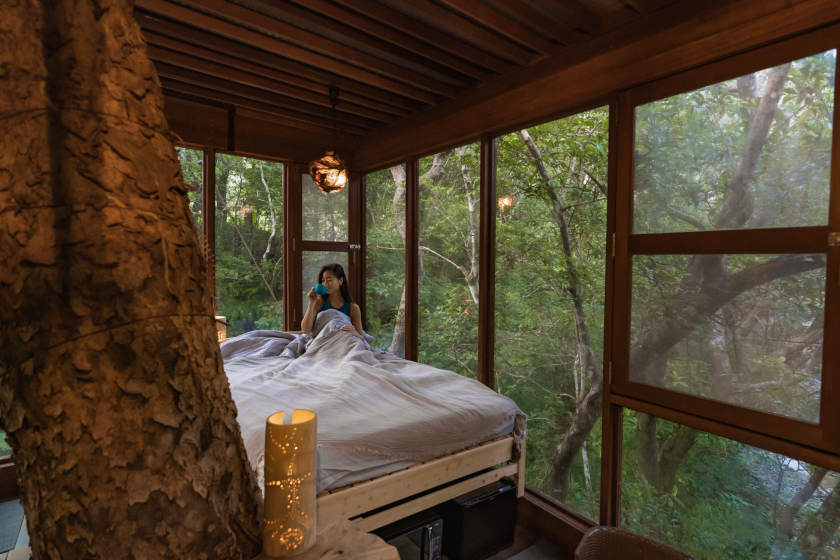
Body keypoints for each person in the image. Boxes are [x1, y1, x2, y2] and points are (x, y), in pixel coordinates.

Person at [301, 263, 364, 339]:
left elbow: (361, 338)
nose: (325, 284)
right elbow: (305, 330)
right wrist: (311, 303)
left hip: (342, 341)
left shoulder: (353, 308)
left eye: (329, 280)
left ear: (340, 281)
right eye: (323, 280)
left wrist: (355, 333)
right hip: (322, 341)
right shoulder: (318, 303)